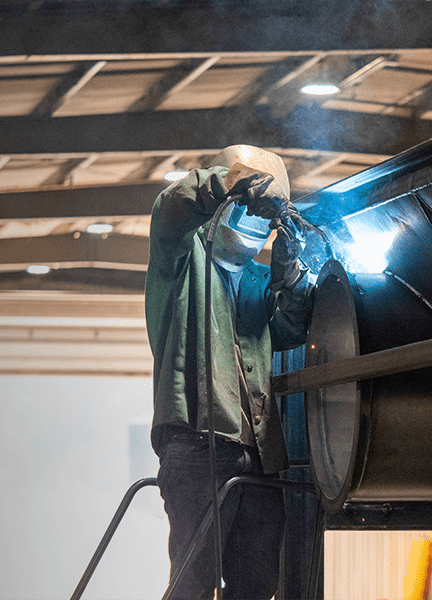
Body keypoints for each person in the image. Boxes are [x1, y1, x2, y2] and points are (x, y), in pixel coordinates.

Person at [145, 144, 314, 599]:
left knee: (258, 587)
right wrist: (230, 180)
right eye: (250, 208)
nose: (255, 223)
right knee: (194, 585)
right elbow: (170, 210)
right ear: (225, 205)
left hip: (259, 457)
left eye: (266, 216)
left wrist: (291, 273)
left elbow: (291, 330)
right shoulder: (180, 261)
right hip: (198, 445)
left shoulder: (258, 282)